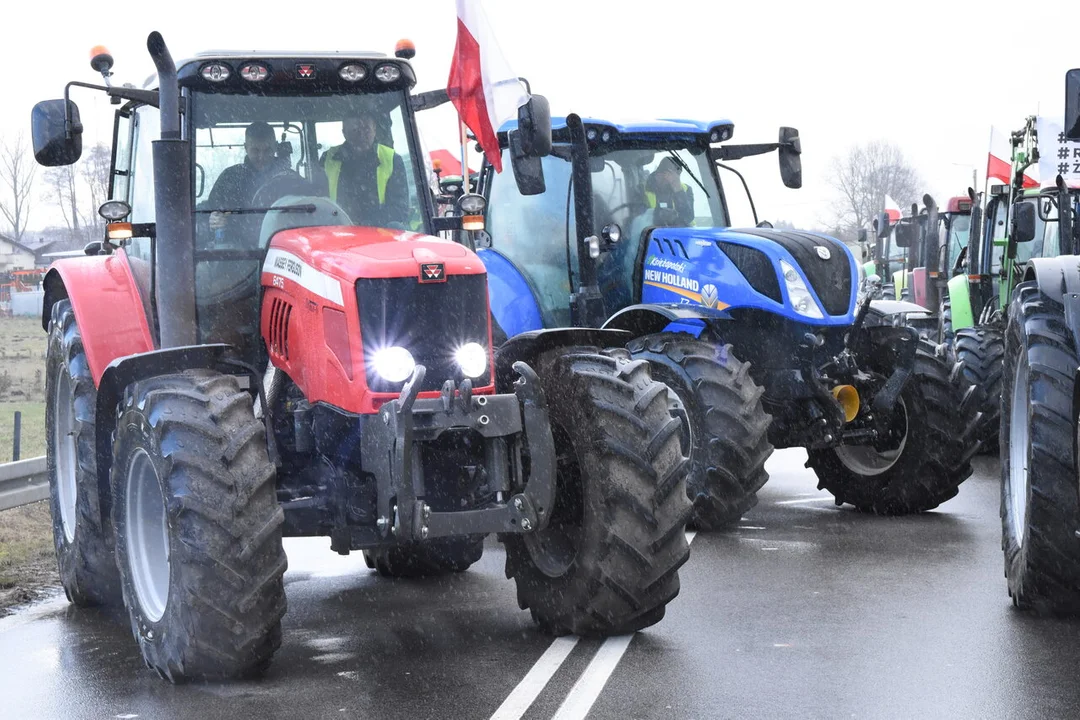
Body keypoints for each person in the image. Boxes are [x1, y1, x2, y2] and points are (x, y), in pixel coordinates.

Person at [319, 109, 410, 228]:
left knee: (396, 226)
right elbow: (318, 200)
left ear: (374, 130)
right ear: (344, 133)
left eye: (366, 129)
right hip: (336, 230)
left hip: (379, 232)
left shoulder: (392, 159)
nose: (361, 135)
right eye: (355, 130)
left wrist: (364, 224)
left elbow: (400, 209)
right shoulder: (327, 159)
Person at [205, 121, 297, 233]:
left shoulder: (291, 179)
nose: (261, 157)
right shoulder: (229, 177)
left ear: (276, 147)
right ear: (246, 147)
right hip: (236, 246)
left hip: (284, 243)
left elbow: (311, 207)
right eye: (255, 150)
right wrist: (211, 219)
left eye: (267, 150)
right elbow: (205, 211)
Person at [644, 156, 695, 227]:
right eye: (668, 174)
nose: (672, 179)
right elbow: (639, 221)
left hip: (683, 234)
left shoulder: (685, 189)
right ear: (658, 174)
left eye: (675, 176)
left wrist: (678, 189)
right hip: (650, 235)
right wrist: (660, 215)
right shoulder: (642, 190)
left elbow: (688, 217)